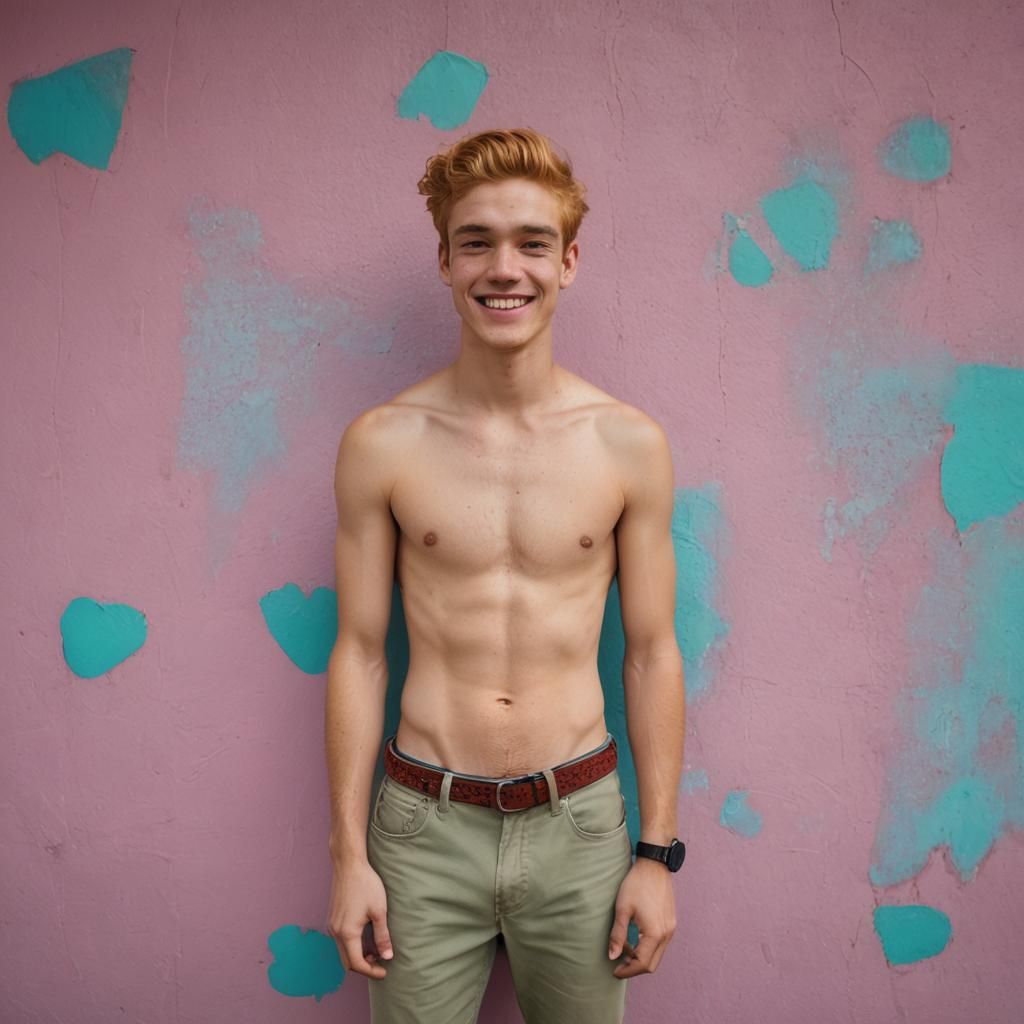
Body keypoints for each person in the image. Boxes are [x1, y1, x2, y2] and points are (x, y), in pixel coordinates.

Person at [325, 128, 686, 1024]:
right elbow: (360, 654)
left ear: (568, 261)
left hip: (582, 823)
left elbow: (651, 654)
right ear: (445, 260)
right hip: (420, 825)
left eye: (531, 243)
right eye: (476, 241)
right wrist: (348, 855)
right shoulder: (383, 443)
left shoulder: (628, 445)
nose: (504, 268)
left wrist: (657, 854)